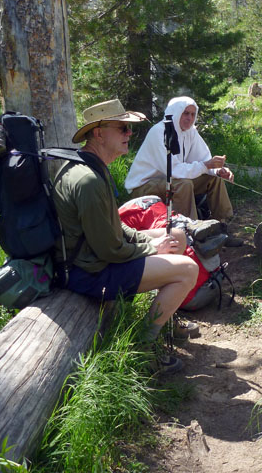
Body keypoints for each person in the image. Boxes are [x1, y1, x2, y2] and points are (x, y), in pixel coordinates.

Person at [52, 98, 200, 373]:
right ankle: (143, 348)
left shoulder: (92, 167)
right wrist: (152, 248)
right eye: (122, 128)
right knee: (188, 270)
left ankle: (166, 317)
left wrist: (152, 241)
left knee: (176, 236)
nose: (129, 134)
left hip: (95, 257)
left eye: (129, 128)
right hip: (89, 271)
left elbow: (115, 228)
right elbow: (109, 250)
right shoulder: (88, 180)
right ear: (99, 133)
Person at [125, 95, 237, 230]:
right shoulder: (160, 132)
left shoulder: (190, 132)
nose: (189, 118)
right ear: (175, 112)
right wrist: (206, 165)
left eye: (192, 114)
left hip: (170, 181)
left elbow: (202, 159)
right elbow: (173, 170)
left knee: (214, 179)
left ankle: (223, 225)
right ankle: (191, 231)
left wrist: (217, 170)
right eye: (185, 113)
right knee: (183, 184)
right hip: (143, 187)